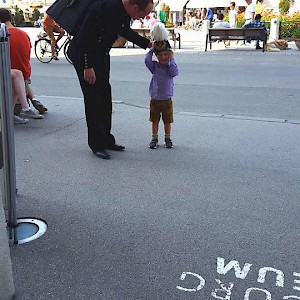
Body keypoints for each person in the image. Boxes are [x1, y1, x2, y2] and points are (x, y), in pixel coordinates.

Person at [67, 0, 154, 160]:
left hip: (101, 53)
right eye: (142, 14)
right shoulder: (102, 6)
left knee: (105, 96)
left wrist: (147, 43)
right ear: (135, 8)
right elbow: (84, 35)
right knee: (93, 98)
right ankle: (96, 144)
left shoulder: (123, 11)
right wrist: (87, 66)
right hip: (84, 55)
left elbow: (123, 30)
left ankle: (106, 139)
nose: (142, 17)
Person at [0, 8, 47, 115]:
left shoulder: (3, 35)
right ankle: (32, 100)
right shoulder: (23, 34)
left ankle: (25, 105)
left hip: (10, 81)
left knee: (13, 73)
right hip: (24, 77)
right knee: (17, 74)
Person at [144, 37, 179, 149]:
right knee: (154, 120)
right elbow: (146, 60)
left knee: (167, 120)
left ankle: (167, 138)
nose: (163, 57)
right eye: (160, 55)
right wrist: (152, 49)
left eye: (165, 54)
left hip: (166, 99)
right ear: (156, 56)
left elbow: (174, 72)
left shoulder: (170, 67)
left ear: (169, 55)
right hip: (155, 98)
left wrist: (172, 59)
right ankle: (154, 138)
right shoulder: (155, 66)